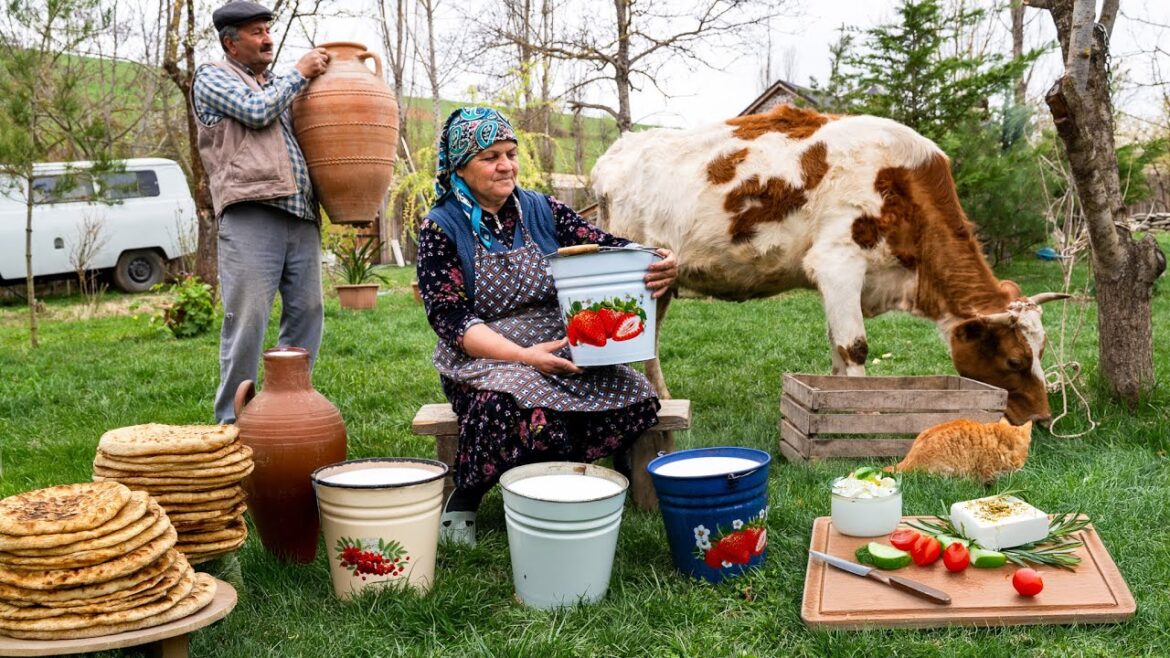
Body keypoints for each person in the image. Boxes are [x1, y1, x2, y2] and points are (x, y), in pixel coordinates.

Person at [417, 107, 679, 545]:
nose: (506, 165)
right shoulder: (441, 228)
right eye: (490, 157)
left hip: (557, 349)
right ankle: (467, 494)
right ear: (460, 167)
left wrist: (655, 259)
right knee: (507, 405)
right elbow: (451, 319)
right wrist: (524, 357)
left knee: (637, 396)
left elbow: (604, 247)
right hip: (485, 358)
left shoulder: (540, 210)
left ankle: (571, 478)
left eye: (511, 153)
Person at [191, 1, 331, 423]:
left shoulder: (275, 84)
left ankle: (286, 409)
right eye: (256, 32)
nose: (267, 39)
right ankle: (232, 423)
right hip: (252, 212)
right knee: (248, 319)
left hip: (299, 214)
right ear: (230, 43)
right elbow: (256, 112)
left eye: (268, 30)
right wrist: (300, 73)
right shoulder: (212, 76)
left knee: (308, 314)